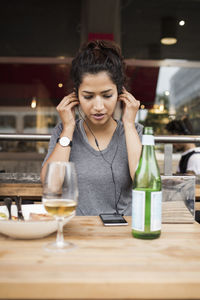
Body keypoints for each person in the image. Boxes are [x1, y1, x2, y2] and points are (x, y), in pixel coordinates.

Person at [41, 40, 143, 215]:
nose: (98, 106)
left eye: (107, 95)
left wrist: (129, 125)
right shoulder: (63, 132)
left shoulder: (135, 132)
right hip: (76, 233)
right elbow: (52, 186)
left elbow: (144, 183)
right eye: (88, 97)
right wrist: (68, 129)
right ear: (76, 95)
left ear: (120, 94)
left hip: (123, 235)